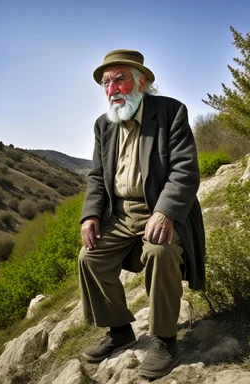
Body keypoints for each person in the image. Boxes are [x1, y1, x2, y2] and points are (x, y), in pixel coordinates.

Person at [78, 49, 205, 379]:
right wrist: (91, 214)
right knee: (89, 258)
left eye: (120, 79)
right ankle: (120, 331)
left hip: (159, 207)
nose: (112, 89)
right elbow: (96, 175)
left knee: (160, 251)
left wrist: (164, 212)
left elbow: (185, 170)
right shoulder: (104, 125)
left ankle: (164, 340)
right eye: (106, 83)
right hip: (120, 214)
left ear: (142, 81)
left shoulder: (170, 112)